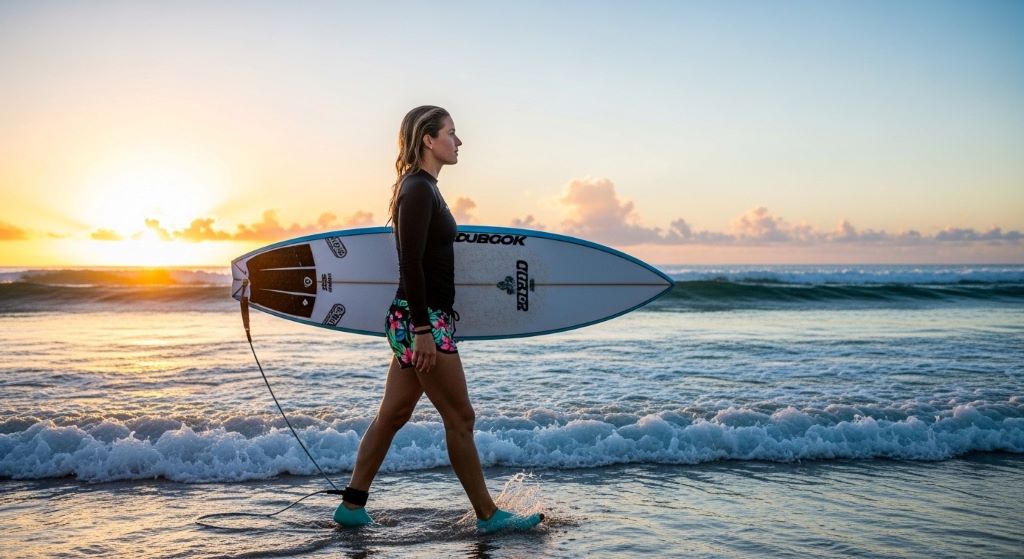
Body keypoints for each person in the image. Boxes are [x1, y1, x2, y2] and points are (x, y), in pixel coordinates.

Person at [333, 106, 544, 534]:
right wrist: (424, 331)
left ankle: (352, 506)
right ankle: (488, 516)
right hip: (422, 319)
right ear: (428, 139)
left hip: (422, 317)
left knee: (392, 415)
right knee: (460, 417)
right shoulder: (417, 188)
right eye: (451, 132)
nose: (459, 141)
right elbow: (408, 262)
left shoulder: (426, 188)